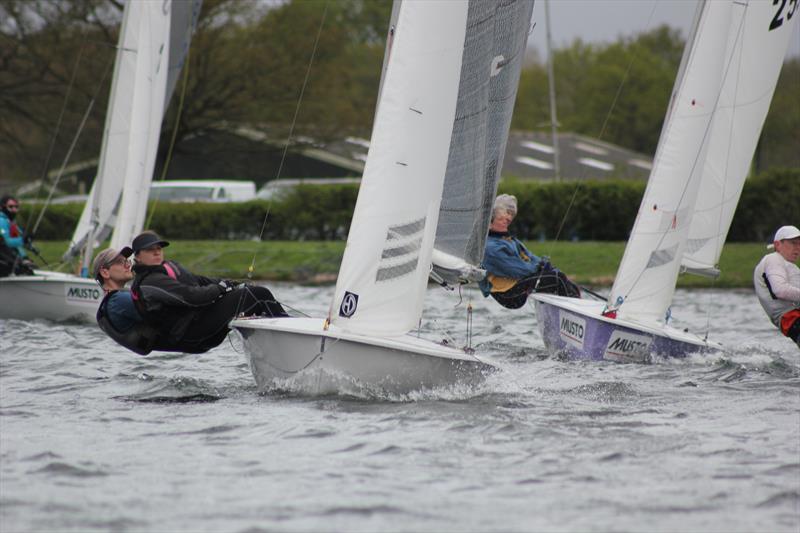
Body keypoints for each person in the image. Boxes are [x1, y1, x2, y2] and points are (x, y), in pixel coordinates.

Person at [129, 230, 288, 354]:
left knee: (251, 293)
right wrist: (221, 288)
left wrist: (230, 283)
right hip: (191, 332)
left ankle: (281, 341)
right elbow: (192, 297)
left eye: (159, 248)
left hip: (200, 321)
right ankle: (289, 335)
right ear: (138, 257)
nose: (157, 252)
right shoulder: (150, 282)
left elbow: (198, 281)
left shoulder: (167, 268)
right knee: (257, 295)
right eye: (150, 250)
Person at [479, 194, 580, 309]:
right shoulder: (490, 248)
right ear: (492, 218)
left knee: (564, 279)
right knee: (556, 279)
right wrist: (538, 268)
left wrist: (543, 264)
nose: (508, 219)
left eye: (511, 215)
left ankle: (576, 310)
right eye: (504, 215)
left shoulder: (509, 240)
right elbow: (515, 269)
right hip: (507, 293)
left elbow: (528, 257)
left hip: (517, 283)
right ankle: (575, 313)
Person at [93, 246, 160, 355]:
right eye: (120, 262)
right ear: (105, 272)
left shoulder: (111, 302)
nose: (128, 265)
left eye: (127, 261)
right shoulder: (117, 300)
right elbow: (158, 310)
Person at [753, 225, 800, 348]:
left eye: (799, 244)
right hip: (790, 319)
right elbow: (780, 290)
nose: (798, 248)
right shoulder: (773, 259)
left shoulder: (789, 266)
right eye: (793, 243)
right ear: (778, 244)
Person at [0, 195, 35, 277]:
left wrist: (29, 244)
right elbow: (7, 242)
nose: (14, 210)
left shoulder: (11, 223)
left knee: (27, 269)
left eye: (16, 207)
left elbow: (18, 242)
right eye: (11, 207)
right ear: (2, 207)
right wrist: (23, 240)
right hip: (4, 260)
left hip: (12, 259)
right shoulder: (1, 221)